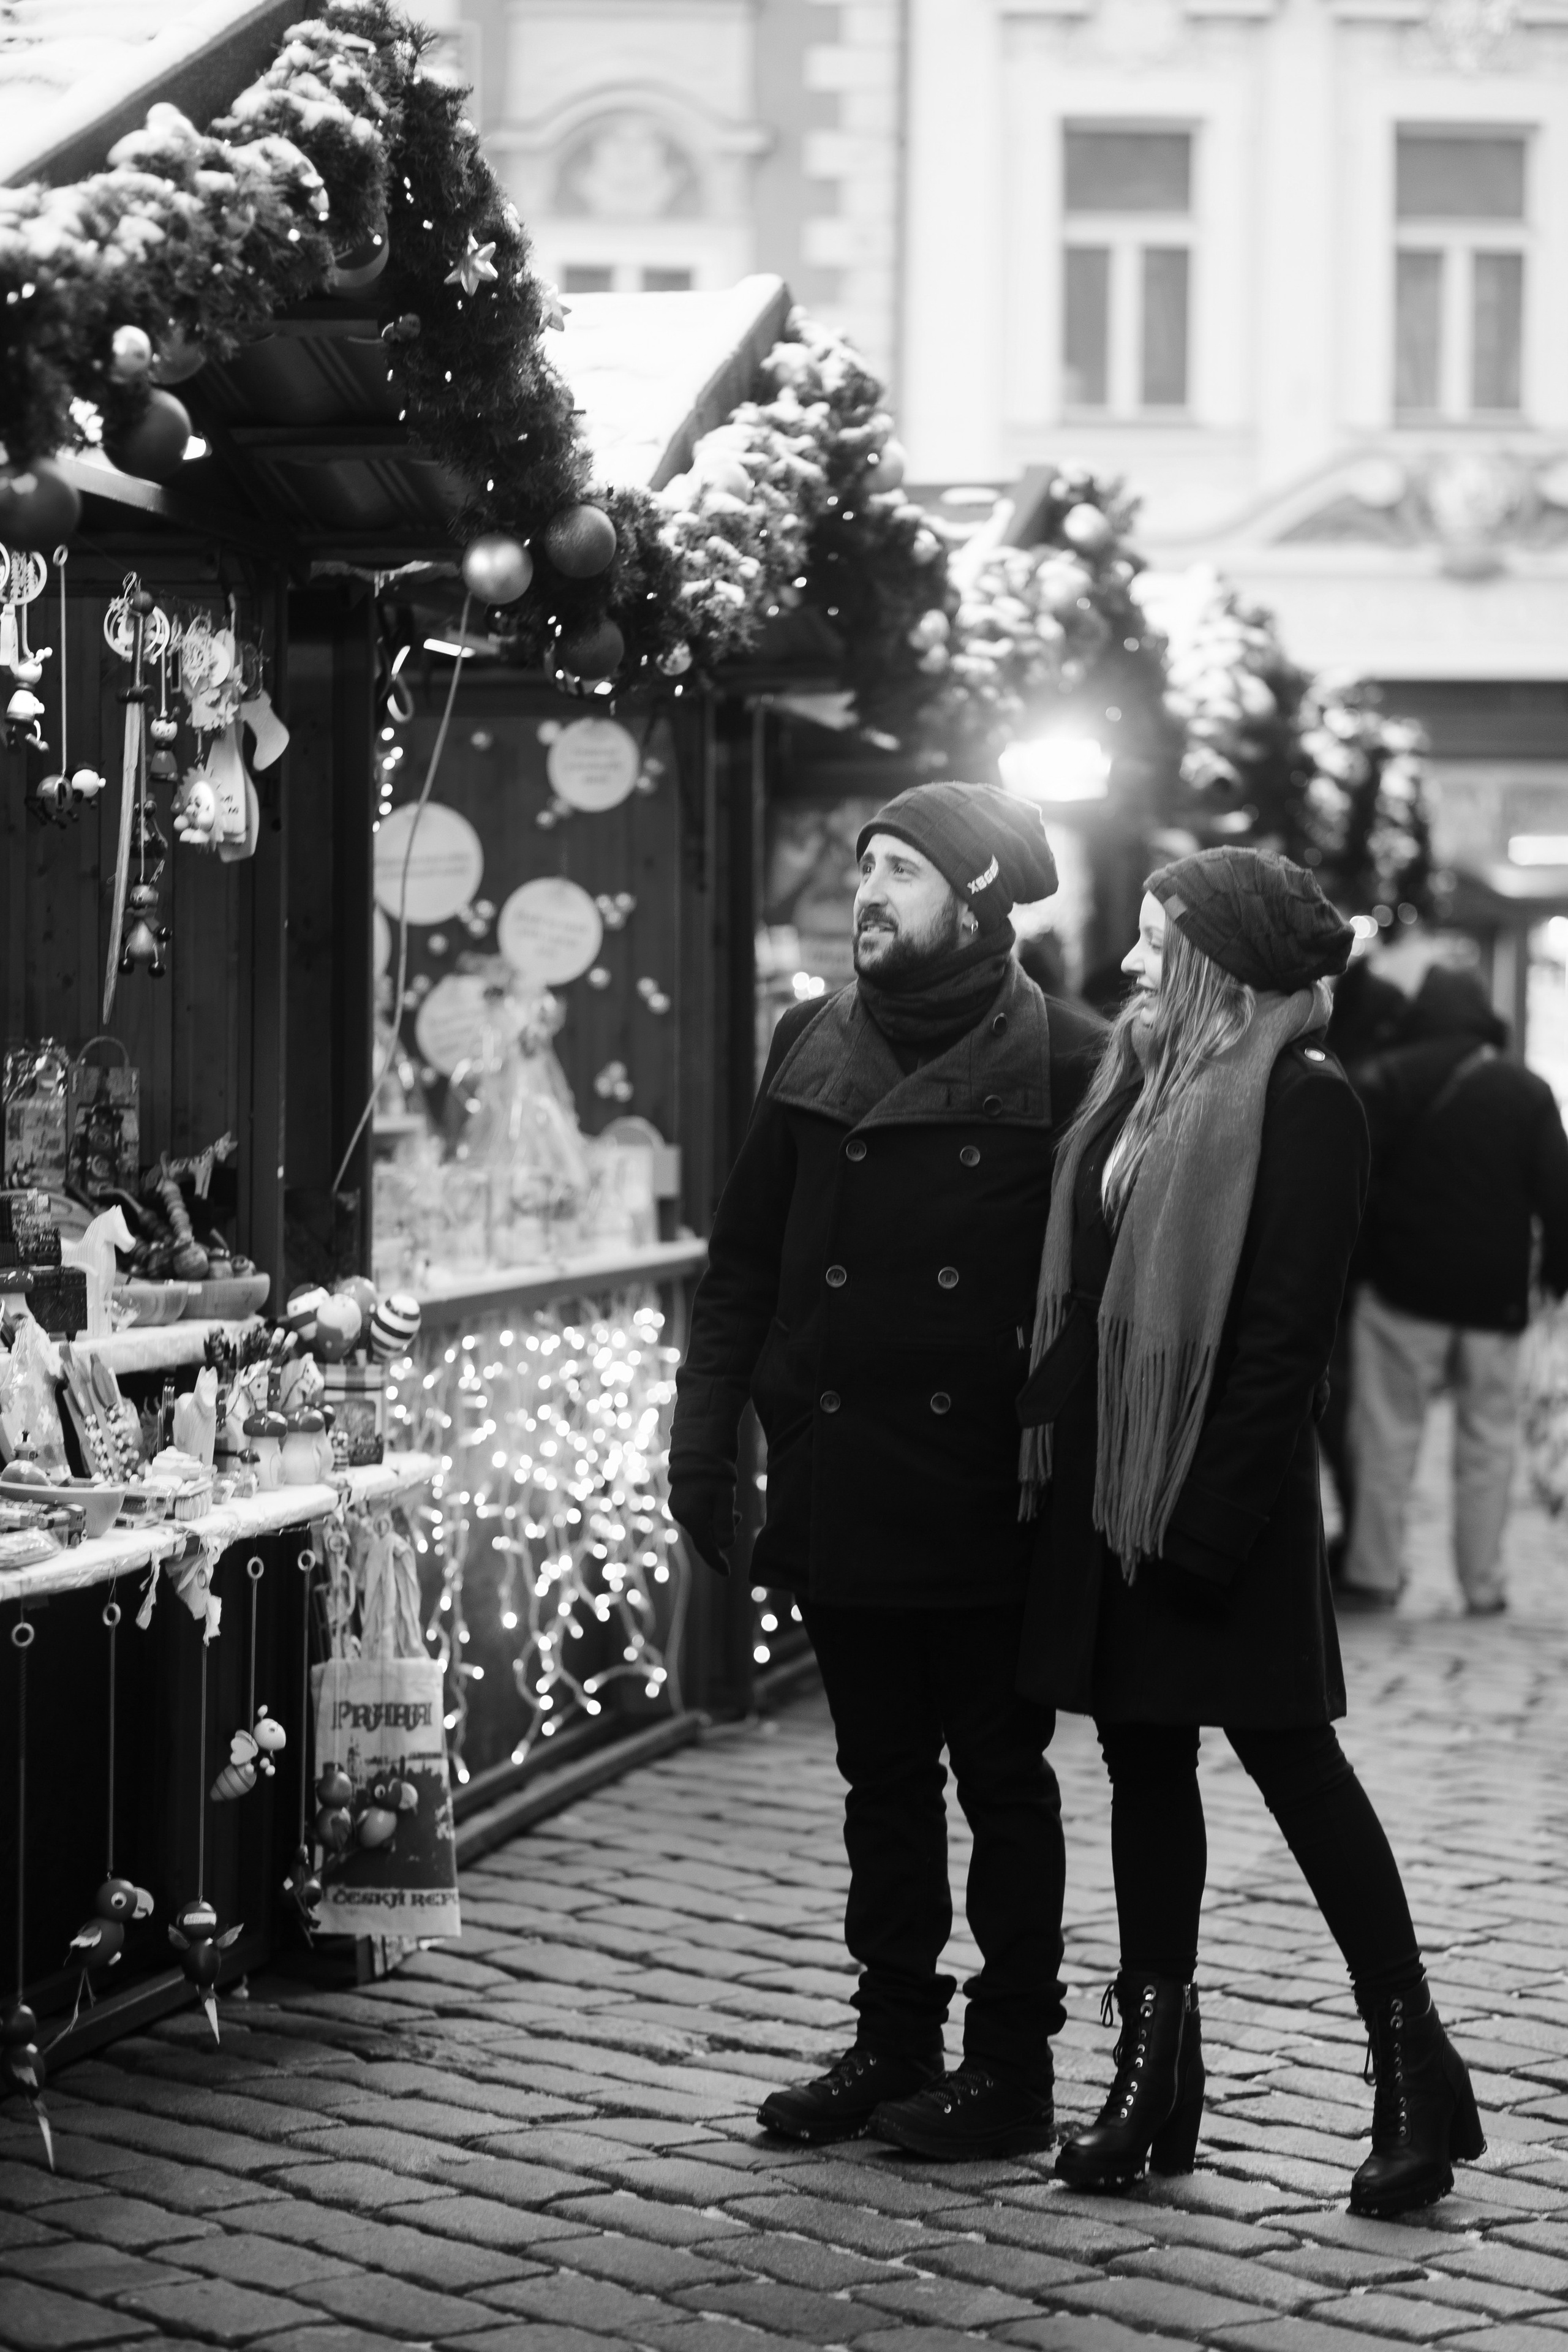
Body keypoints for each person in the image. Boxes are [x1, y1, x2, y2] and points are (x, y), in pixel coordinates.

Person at [1016, 848, 1483, 2218]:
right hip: (1114, 1479)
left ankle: (1414, 2073)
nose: (1133, 962)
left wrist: (1202, 1521)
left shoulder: (1305, 1101)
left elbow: (1282, 1344)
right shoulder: (1143, 1082)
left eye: (1158, 938)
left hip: (1217, 1492)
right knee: (1142, 1765)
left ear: (1221, 957)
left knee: (1294, 1767)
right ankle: (1153, 2077)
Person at [668, 780, 1104, 2161]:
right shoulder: (812, 1039)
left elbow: (1101, 1301)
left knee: (1000, 1775)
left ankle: (1014, 2064)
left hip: (990, 1486)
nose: (868, 892)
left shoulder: (1070, 1062)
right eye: (865, 864)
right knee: (878, 1779)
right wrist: (708, 1432)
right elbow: (741, 1263)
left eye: (903, 871)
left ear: (976, 901)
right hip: (844, 1466)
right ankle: (892, 2040)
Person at [1341, 965, 1568, 1613]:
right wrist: (1555, 1276)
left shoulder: (1386, 1077)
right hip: (1492, 1300)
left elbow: (1355, 1185)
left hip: (1399, 1291)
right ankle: (1483, 1583)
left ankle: (1375, 1573)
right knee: (1488, 1443)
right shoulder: (1525, 1090)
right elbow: (1558, 1193)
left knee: (1387, 1437)